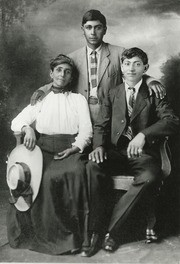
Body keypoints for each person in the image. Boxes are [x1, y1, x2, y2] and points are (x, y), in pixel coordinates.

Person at [87, 47, 179, 254]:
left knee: (149, 176)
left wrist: (143, 134)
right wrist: (99, 146)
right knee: (92, 165)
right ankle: (94, 230)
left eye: (137, 64)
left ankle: (111, 232)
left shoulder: (154, 93)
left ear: (145, 68)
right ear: (121, 67)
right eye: (127, 64)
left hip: (143, 153)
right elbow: (101, 125)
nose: (131, 68)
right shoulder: (112, 93)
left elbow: (172, 121)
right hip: (115, 152)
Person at [7, 54, 93, 255]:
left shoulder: (78, 99)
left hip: (70, 148)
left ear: (71, 77)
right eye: (59, 70)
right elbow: (16, 122)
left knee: (76, 173)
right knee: (42, 178)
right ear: (51, 74)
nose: (62, 74)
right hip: (42, 150)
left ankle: (75, 238)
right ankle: (46, 237)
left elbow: (87, 130)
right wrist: (28, 129)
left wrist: (75, 147)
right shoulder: (40, 100)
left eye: (67, 71)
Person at [30, 9, 166, 124]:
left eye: (98, 27)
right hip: (80, 114)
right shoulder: (73, 57)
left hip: (111, 114)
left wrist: (151, 81)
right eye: (89, 27)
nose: (93, 33)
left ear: (105, 30)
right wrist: (43, 90)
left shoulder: (118, 52)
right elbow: (60, 79)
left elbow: (134, 71)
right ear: (82, 29)